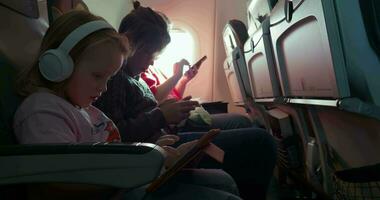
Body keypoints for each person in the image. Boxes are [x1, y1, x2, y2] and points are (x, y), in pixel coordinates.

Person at [13, 10, 242, 200]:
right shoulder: (42, 111)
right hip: (117, 190)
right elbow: (64, 178)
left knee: (226, 181)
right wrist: (148, 161)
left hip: (126, 180)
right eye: (97, 76)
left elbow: (108, 148)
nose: (103, 88)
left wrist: (151, 151)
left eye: (108, 79)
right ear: (59, 66)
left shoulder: (84, 109)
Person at [94, 2, 277, 199]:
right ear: (129, 43)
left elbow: (143, 113)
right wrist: (161, 115)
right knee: (261, 141)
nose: (152, 62)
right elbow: (115, 134)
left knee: (252, 133)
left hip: (165, 137)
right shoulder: (115, 79)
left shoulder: (135, 77)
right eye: (149, 53)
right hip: (158, 147)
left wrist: (166, 110)